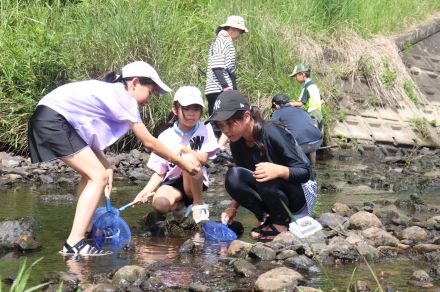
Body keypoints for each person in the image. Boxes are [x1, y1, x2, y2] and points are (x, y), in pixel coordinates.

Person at [28, 61, 200, 256]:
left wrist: (106, 163)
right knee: (97, 177)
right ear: (134, 83)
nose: (149, 99)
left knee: (92, 174)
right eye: (150, 92)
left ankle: (86, 230)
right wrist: (181, 162)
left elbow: (85, 136)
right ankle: (74, 243)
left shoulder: (112, 93)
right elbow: (148, 142)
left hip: (49, 116)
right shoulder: (124, 98)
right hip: (53, 119)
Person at [210, 90, 317, 240]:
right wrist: (232, 208)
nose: (226, 130)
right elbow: (244, 178)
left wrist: (279, 170)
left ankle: (281, 223)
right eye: (221, 126)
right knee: (233, 176)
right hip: (272, 191)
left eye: (230, 123)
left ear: (246, 117)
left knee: (264, 172)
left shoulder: (271, 132)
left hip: (301, 194)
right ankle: (266, 218)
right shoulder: (236, 142)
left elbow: (305, 172)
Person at [133, 86, 219, 224]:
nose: (191, 114)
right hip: (173, 184)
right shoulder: (165, 136)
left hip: (194, 182)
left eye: (196, 109)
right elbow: (160, 173)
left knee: (189, 159)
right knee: (159, 204)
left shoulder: (205, 129)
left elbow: (203, 159)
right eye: (187, 109)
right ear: (175, 109)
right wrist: (145, 191)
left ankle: (198, 203)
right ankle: (180, 206)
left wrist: (184, 150)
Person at [204, 15, 248, 154]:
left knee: (218, 118)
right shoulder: (221, 41)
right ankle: (216, 147)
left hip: (217, 87)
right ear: (233, 29)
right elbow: (217, 67)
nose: (240, 35)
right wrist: (227, 88)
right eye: (240, 32)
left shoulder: (224, 41)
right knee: (225, 118)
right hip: (219, 88)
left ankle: (214, 148)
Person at [271, 94, 323, 166]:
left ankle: (298, 169)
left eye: (273, 106)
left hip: (302, 144)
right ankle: (313, 168)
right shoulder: (301, 110)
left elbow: (272, 129)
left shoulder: (277, 112)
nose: (274, 108)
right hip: (318, 140)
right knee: (308, 144)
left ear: (275, 105)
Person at [289, 64, 323, 130]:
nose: (295, 78)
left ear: (302, 74)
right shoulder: (314, 86)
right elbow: (322, 101)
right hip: (319, 115)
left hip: (312, 116)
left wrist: (288, 103)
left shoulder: (306, 87)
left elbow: (300, 103)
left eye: (296, 76)